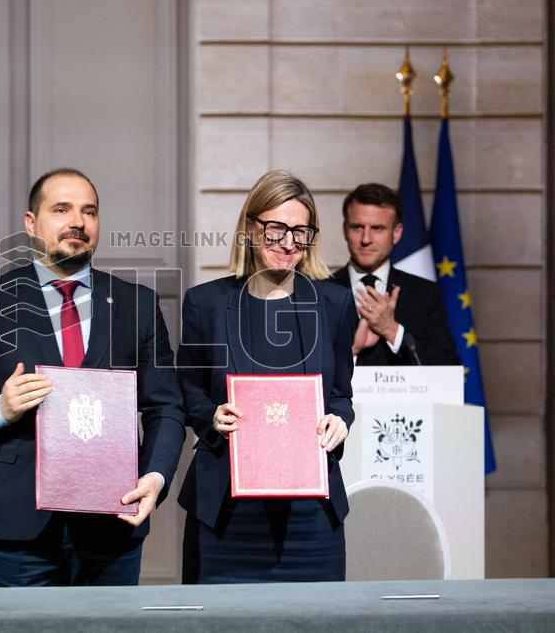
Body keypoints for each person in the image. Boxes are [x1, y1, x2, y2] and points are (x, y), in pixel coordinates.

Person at [0, 168, 185, 587]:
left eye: (89, 211)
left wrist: (155, 476)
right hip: (19, 527)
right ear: (31, 223)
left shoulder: (137, 304)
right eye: (61, 209)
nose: (77, 221)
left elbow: (166, 407)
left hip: (113, 520)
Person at [176, 169, 357, 583]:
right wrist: (211, 418)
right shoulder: (205, 304)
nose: (289, 243)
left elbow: (340, 395)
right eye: (276, 229)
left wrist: (339, 420)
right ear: (250, 228)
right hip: (225, 511)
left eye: (301, 231)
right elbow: (191, 392)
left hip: (311, 512)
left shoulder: (334, 304)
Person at [332, 183, 459, 366]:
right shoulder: (321, 291)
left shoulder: (425, 293)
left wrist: (392, 330)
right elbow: (305, 372)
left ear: (397, 233)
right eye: (357, 227)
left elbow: (449, 368)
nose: (366, 239)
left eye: (377, 228)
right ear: (345, 230)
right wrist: (352, 350)